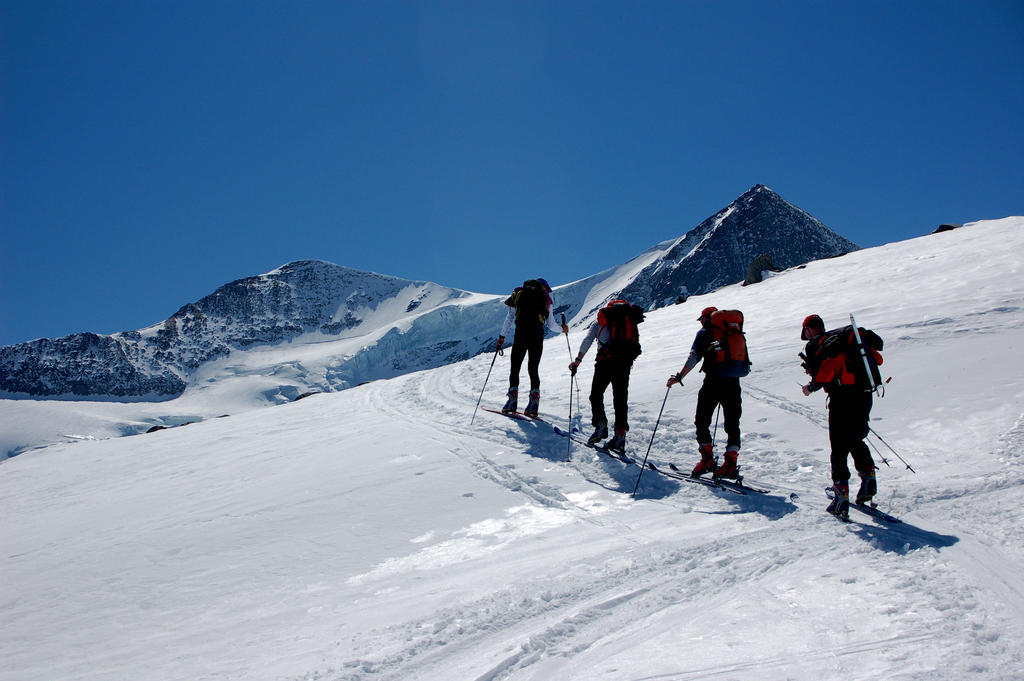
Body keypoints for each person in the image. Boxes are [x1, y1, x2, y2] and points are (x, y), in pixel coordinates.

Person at [799, 314, 884, 519]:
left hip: (841, 398)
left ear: (809, 329)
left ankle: (841, 498)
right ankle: (868, 478)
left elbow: (824, 374)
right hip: (865, 393)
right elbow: (877, 359)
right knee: (855, 438)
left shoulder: (817, 345)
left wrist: (810, 386)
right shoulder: (846, 340)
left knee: (838, 446)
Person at [666, 307, 751, 480]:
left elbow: (694, 357)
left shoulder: (705, 333)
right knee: (733, 423)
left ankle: (707, 460)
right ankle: (730, 464)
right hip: (733, 382)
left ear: (707, 318)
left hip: (713, 381)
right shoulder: (733, 331)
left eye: (702, 319)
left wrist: (679, 376)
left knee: (702, 420)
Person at [568, 299, 644, 453]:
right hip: (624, 364)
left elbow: (587, 340)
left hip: (605, 362)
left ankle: (601, 425)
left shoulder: (600, 323)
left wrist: (578, 360)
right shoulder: (629, 322)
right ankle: (620, 436)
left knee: (596, 395)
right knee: (620, 398)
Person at [497, 278, 568, 416]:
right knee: (533, 368)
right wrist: (562, 330)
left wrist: (502, 336)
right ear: (544, 288)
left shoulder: (518, 294)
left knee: (515, 367)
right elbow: (551, 325)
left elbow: (510, 317)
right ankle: (533, 405)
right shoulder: (545, 298)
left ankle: (512, 402)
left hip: (521, 332)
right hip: (537, 334)